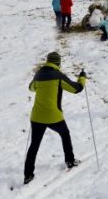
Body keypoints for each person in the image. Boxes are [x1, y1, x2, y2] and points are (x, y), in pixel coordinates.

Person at [24, 52, 86, 184]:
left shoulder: (38, 74)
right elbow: (76, 89)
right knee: (65, 134)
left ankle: (28, 175)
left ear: (47, 61)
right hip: (53, 116)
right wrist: (82, 78)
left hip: (36, 117)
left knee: (34, 145)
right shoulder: (58, 75)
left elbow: (31, 88)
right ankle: (70, 160)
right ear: (58, 63)